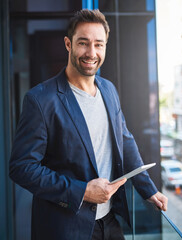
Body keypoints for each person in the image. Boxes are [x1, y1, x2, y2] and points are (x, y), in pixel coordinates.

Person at [9, 9, 168, 240]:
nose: (91, 52)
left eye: (98, 44)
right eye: (83, 43)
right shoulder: (41, 99)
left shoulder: (108, 90)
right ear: (68, 44)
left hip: (110, 221)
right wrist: (82, 192)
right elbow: (22, 167)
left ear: (105, 46)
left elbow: (124, 141)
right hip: (66, 228)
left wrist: (148, 189)